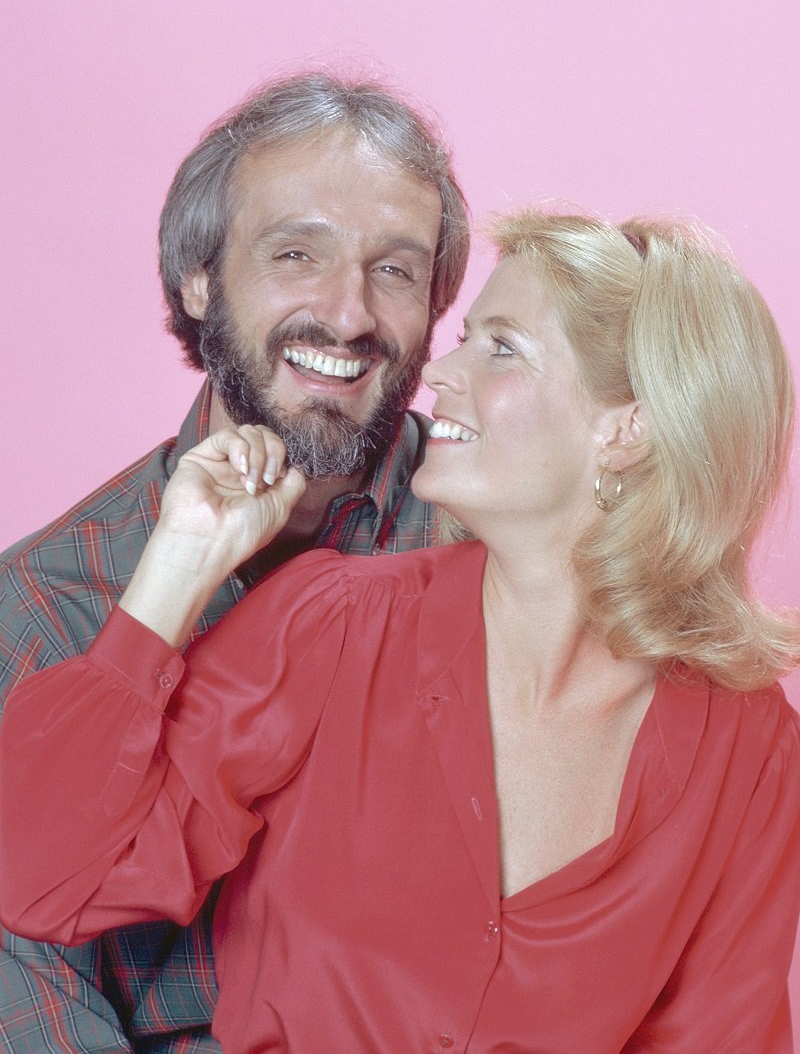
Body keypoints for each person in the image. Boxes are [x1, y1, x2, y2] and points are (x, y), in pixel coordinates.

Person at [4, 209, 800, 1052]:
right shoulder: (332, 626)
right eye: (464, 337)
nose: (440, 370)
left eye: (501, 347)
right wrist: (175, 570)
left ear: (626, 430)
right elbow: (45, 878)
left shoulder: (749, 750)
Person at [0, 72, 469, 1052]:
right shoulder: (42, 607)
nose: (346, 315)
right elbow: (24, 964)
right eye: (296, 253)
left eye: (393, 270)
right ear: (198, 278)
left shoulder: (508, 540)